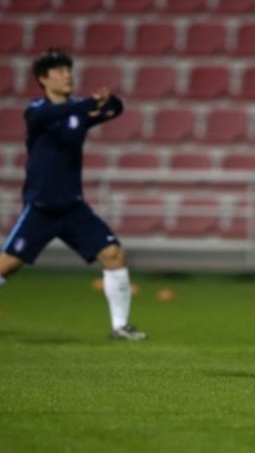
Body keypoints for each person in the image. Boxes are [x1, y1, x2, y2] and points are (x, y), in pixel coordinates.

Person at [0, 49, 146, 341]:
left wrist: (109, 101)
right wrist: (89, 104)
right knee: (8, 265)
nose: (67, 75)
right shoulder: (37, 111)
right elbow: (58, 113)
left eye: (68, 69)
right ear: (43, 79)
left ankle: (120, 326)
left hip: (73, 208)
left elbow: (115, 109)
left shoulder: (78, 110)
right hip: (41, 207)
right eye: (59, 71)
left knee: (113, 253)